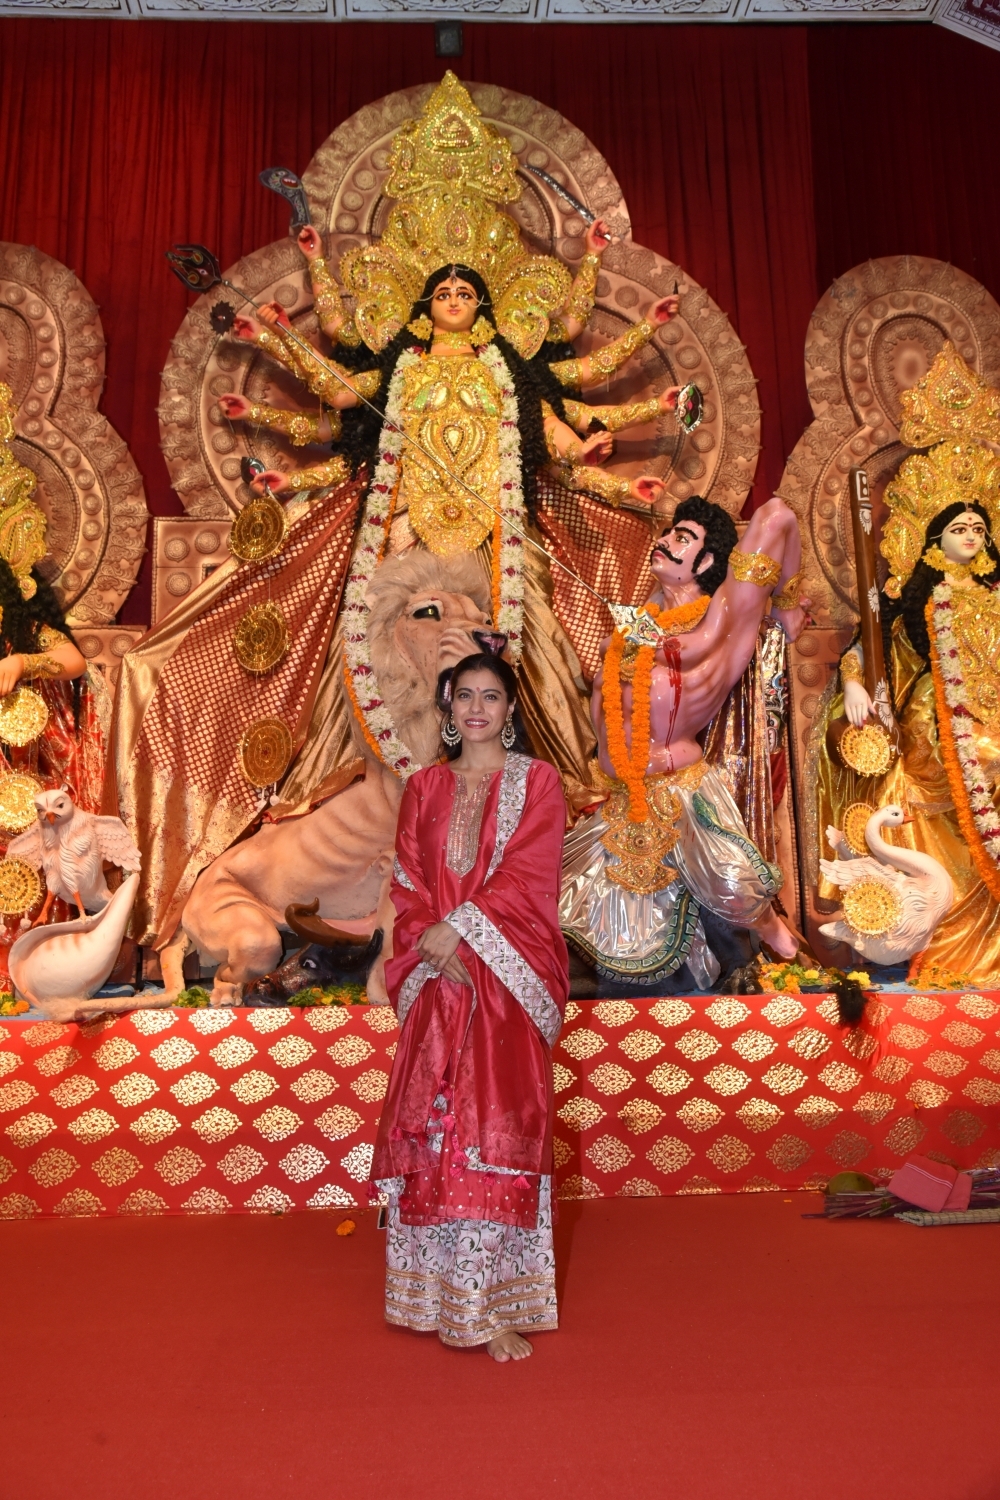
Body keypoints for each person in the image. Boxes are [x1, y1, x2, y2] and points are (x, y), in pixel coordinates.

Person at [370, 649, 568, 1361]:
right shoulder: (423, 787)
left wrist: (467, 930)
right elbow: (407, 882)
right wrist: (431, 941)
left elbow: (530, 876)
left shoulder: (537, 783)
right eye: (464, 697)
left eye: (491, 696)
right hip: (437, 982)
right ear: (447, 709)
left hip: (504, 985)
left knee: (494, 1131)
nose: (477, 708)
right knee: (437, 1130)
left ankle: (492, 1307)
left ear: (512, 710)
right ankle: (431, 1295)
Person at [561, 494, 808, 989]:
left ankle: (788, 967)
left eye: (683, 537)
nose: (665, 541)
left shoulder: (721, 620)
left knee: (737, 894)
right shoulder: (636, 624)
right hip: (623, 797)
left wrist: (781, 613)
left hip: (683, 789)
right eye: (668, 532)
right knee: (561, 898)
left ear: (709, 560)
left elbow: (778, 513)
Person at [812, 345, 1000, 982]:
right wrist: (856, 684)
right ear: (931, 538)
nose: (970, 535)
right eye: (958, 527)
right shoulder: (910, 600)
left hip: (992, 726)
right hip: (938, 733)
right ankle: (928, 951)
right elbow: (862, 651)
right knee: (941, 821)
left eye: (979, 526)